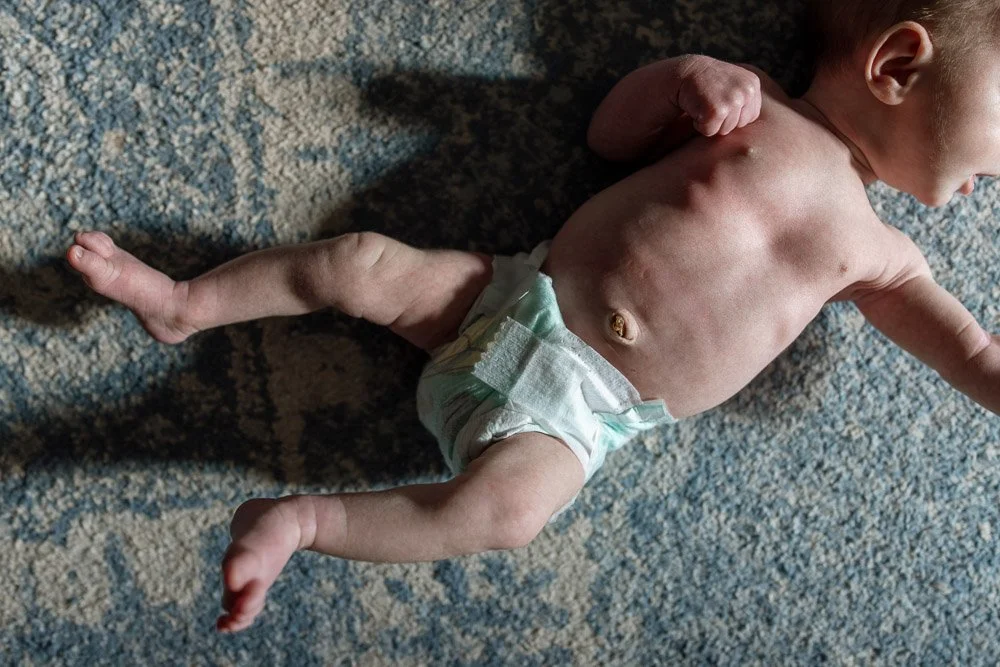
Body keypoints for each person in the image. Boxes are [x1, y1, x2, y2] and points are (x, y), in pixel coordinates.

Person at [65, 0, 999, 633]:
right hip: (511, 296)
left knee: (507, 514)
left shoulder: (885, 256)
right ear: (898, 62)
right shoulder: (754, 106)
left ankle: (303, 521)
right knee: (358, 262)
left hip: (576, 416)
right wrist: (680, 79)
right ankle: (184, 303)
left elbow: (968, 349)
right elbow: (608, 138)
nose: (985, 183)